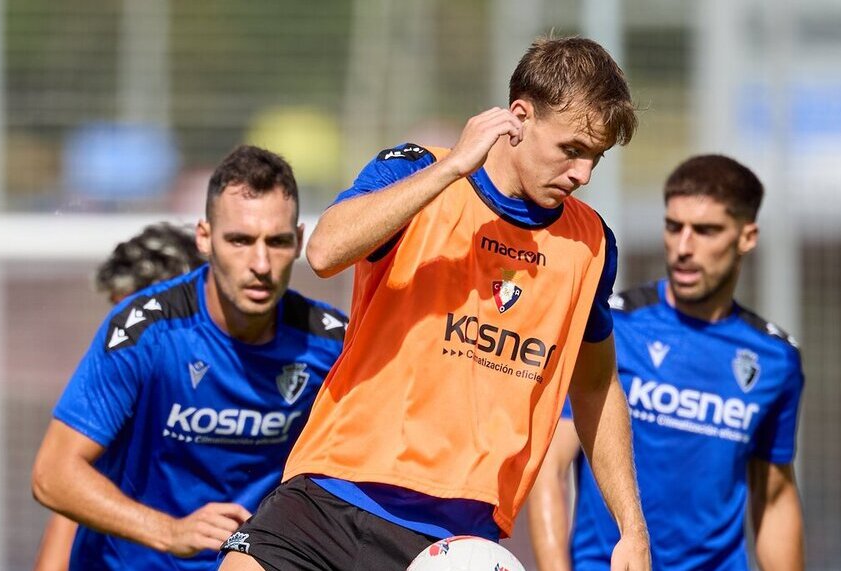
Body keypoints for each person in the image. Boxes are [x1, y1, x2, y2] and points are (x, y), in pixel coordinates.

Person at [220, 36, 651, 571]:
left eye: (596, 158)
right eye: (571, 150)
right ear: (518, 118)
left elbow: (594, 384)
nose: (583, 175)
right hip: (327, 492)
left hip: (451, 541)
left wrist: (631, 528)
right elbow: (326, 250)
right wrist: (450, 171)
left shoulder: (590, 244)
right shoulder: (417, 170)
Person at [31, 145, 347, 570]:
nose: (260, 263)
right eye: (239, 240)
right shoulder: (147, 330)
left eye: (277, 242)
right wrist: (171, 531)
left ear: (298, 243)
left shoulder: (330, 343)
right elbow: (53, 475)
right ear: (204, 237)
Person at [528, 155, 805, 571]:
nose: (683, 247)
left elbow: (775, 496)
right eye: (674, 227)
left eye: (706, 231)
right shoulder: (613, 326)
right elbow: (550, 464)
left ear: (746, 237)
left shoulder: (775, 359)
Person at [33, 222, 206, 571]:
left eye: (132, 315)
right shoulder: (107, 407)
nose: (121, 329)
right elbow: (64, 498)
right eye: (116, 313)